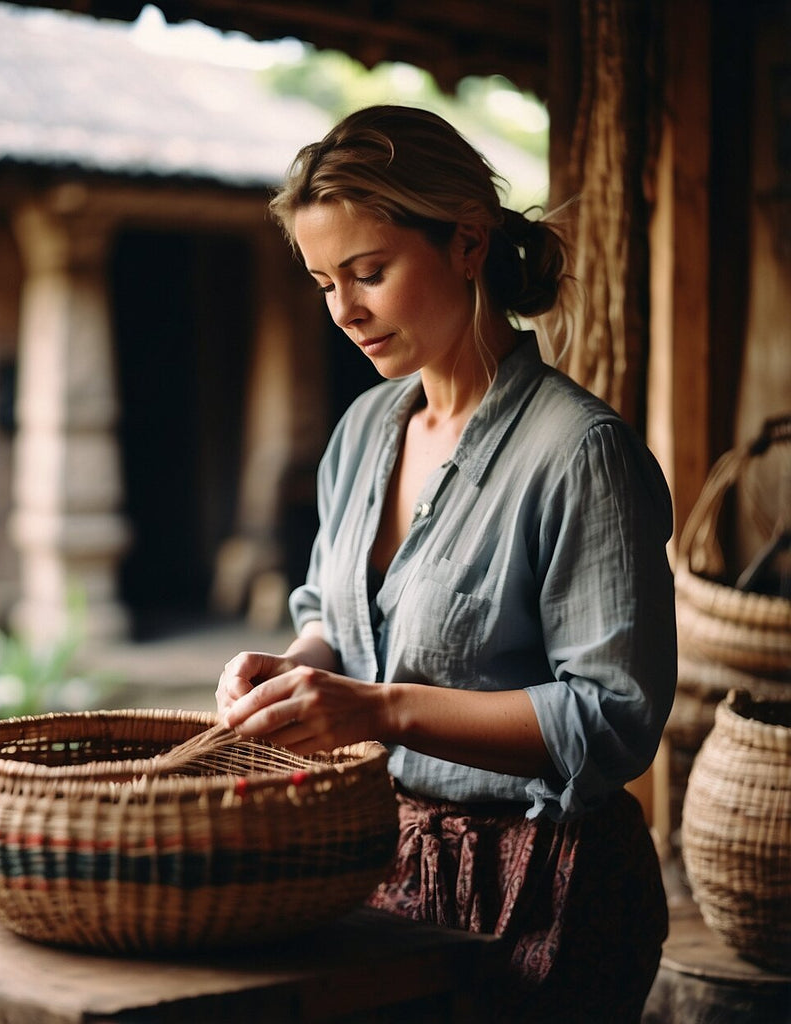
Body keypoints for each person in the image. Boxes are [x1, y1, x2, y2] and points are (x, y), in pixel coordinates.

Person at [216, 105, 676, 1023]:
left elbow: (612, 717)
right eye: (322, 284)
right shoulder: (363, 432)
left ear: (468, 242)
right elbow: (334, 615)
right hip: (381, 869)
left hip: (546, 890)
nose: (344, 311)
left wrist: (376, 710)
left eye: (369, 273)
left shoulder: (579, 453)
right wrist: (297, 671)